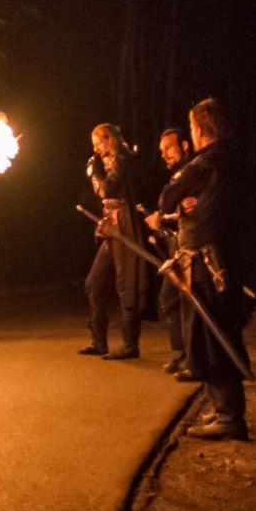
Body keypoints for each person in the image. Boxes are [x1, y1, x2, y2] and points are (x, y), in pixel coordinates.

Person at [162, 100, 251, 440]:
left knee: (214, 333)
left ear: (200, 130)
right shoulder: (235, 160)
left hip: (209, 263)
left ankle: (229, 415)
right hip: (226, 258)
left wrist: (186, 200)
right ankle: (224, 410)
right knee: (218, 330)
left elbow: (167, 196)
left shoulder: (207, 162)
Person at [80, 123, 144, 359]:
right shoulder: (108, 162)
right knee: (93, 283)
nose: (96, 150)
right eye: (94, 145)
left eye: (98, 143)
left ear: (110, 140)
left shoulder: (123, 160)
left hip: (125, 229)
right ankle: (99, 342)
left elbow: (108, 190)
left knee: (126, 285)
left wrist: (93, 173)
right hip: (111, 230)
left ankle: (130, 345)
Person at [147, 128, 195, 376]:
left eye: (168, 147)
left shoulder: (192, 172)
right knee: (169, 300)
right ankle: (182, 354)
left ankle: (192, 358)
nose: (164, 154)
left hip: (188, 247)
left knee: (187, 303)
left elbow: (187, 209)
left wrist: (161, 219)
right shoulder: (178, 175)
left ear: (184, 145)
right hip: (175, 246)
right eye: (161, 150)